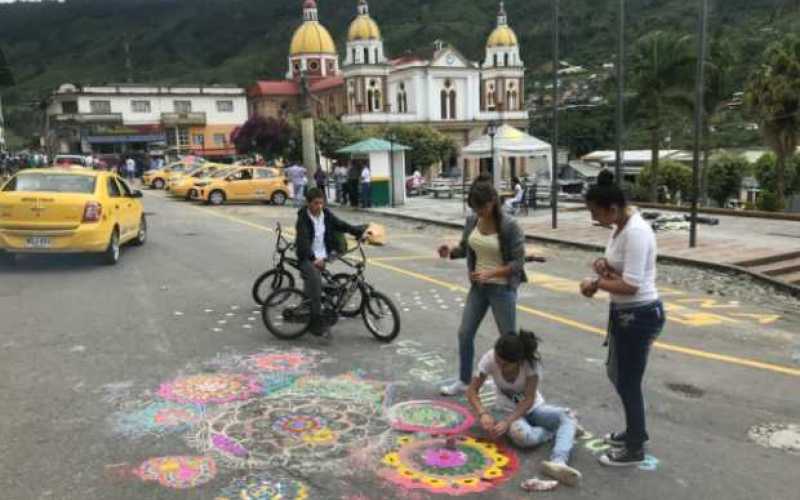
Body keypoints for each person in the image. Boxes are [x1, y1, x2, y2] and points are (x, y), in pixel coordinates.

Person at [579, 169, 665, 467]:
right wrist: (603, 267)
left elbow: (631, 285)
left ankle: (635, 447)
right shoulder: (619, 227)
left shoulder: (637, 232)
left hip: (639, 315)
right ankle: (634, 431)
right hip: (624, 313)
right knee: (618, 375)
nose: (594, 218)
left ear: (612, 208)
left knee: (628, 381)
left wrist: (596, 283)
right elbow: (621, 272)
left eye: (595, 212)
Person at [437, 181, 526, 396]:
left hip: (502, 289)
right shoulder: (472, 220)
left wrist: (492, 273)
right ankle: (464, 380)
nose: (479, 212)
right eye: (475, 209)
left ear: (493, 202)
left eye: (482, 208)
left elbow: (518, 263)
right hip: (479, 288)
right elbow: (465, 248)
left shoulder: (509, 225)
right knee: (465, 333)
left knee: (509, 341)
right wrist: (450, 251)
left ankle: (517, 388)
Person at [467, 331, 582, 486]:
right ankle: (557, 431)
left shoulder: (530, 365)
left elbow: (528, 399)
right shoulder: (489, 358)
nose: (500, 365)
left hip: (533, 407)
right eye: (497, 360)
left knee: (566, 417)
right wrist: (483, 413)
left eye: (505, 364)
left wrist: (507, 422)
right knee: (524, 438)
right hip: (505, 410)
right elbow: (472, 391)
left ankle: (559, 462)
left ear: (519, 361)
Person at [295, 187, 368, 337]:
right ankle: (315, 322)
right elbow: (303, 243)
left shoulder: (326, 214)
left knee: (329, 286)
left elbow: (341, 224)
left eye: (321, 203)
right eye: (316, 203)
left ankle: (307, 306)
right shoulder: (302, 219)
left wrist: (359, 231)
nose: (319, 206)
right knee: (315, 284)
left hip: (323, 256)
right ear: (308, 203)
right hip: (308, 257)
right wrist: (314, 259)